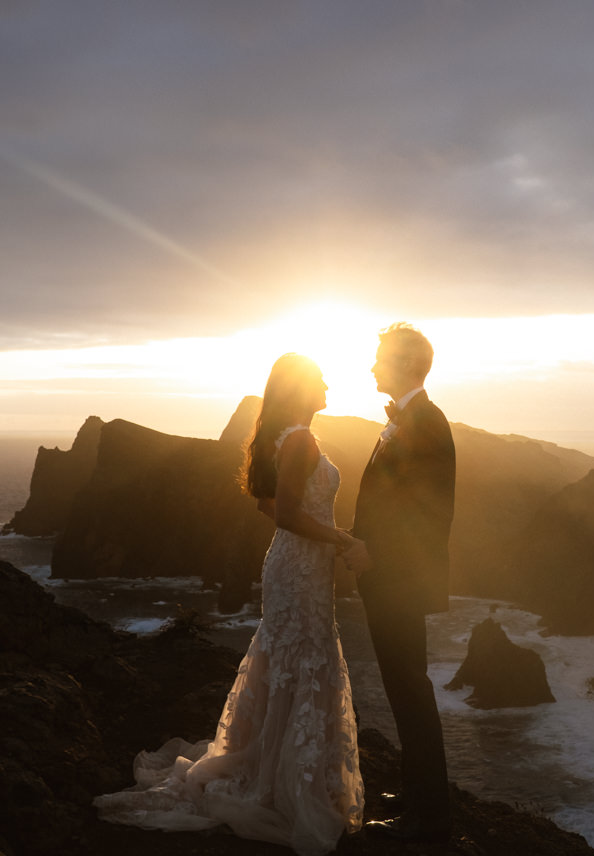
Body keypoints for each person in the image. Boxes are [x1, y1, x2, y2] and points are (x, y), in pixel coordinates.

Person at [95, 353, 367, 856]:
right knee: (302, 658)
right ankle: (288, 787)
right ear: (301, 389)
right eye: (320, 379)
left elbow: (268, 504)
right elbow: (285, 512)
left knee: (288, 658)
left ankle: (278, 772)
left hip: (294, 565)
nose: (329, 383)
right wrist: (342, 539)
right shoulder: (301, 440)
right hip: (301, 566)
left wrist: (320, 539)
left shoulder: (284, 438)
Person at [350, 323, 457, 843]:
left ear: (409, 365)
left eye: (380, 359)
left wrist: (374, 553)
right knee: (403, 686)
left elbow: (427, 513)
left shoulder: (426, 422)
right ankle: (419, 793)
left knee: (410, 688)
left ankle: (429, 814)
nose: (372, 367)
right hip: (389, 578)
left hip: (399, 579)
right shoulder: (407, 420)